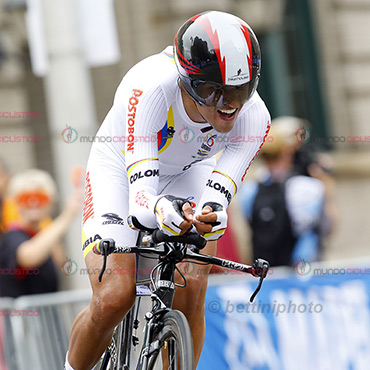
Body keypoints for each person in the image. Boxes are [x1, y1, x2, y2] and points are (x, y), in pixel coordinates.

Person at [65, 11, 270, 370]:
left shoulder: (255, 117)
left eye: (240, 90)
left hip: (188, 172)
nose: (229, 104)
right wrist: (164, 211)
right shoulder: (150, 88)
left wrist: (210, 217)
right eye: (213, 90)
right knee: (114, 296)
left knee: (192, 284)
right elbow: (142, 199)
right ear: (188, 81)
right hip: (121, 168)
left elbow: (218, 202)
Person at [238, 117, 331, 267]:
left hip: (265, 276)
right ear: (288, 151)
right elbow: (327, 229)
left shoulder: (250, 189)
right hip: (303, 274)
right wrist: (326, 184)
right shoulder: (308, 187)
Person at [0, 169, 83, 298]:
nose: (33, 203)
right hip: (23, 317)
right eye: (25, 198)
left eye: (40, 197)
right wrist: (67, 216)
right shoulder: (12, 236)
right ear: (16, 203)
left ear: (51, 203)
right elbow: (28, 256)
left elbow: (65, 266)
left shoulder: (45, 236)